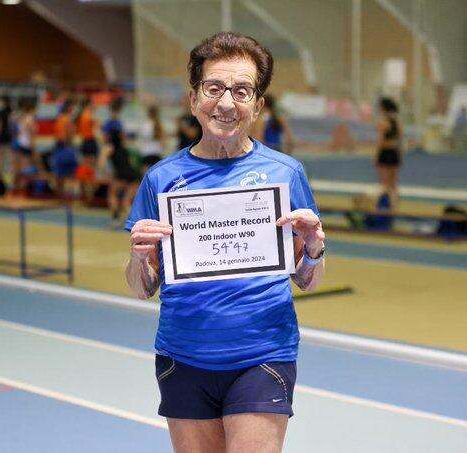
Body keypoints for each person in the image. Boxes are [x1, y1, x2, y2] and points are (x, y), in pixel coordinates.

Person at [124, 32, 325, 453]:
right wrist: (139, 257)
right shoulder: (161, 180)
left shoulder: (285, 174)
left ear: (258, 105)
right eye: (214, 88)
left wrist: (313, 248)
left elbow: (308, 280)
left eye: (242, 91)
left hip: (263, 354)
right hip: (183, 356)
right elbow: (143, 288)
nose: (226, 103)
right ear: (194, 98)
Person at [98, 97, 139, 227]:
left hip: (121, 175)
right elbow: (132, 162)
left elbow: (101, 163)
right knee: (126, 201)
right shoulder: (124, 148)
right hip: (133, 175)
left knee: (112, 193)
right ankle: (135, 222)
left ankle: (115, 218)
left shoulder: (109, 147)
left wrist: (107, 175)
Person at [10, 99, 44, 193]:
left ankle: (16, 187)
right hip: (25, 145)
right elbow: (30, 135)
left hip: (18, 143)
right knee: (25, 169)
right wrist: (33, 148)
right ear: (33, 109)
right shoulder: (30, 119)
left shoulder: (21, 117)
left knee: (18, 168)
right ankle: (22, 188)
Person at [374, 97, 402, 201]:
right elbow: (399, 139)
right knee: (393, 184)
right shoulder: (396, 123)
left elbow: (380, 141)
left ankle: (385, 206)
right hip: (394, 152)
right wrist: (398, 154)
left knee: (384, 184)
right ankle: (395, 203)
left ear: (383, 108)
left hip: (385, 153)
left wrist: (376, 156)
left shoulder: (383, 123)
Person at [138, 104, 166, 174]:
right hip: (156, 154)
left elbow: (141, 140)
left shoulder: (144, 125)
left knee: (146, 178)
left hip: (146, 154)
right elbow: (164, 143)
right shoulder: (159, 125)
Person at [0, 96, 12, 173]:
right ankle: (12, 174)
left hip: (1, 134)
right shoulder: (11, 110)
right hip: (9, 134)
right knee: (11, 157)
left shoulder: (0, 112)